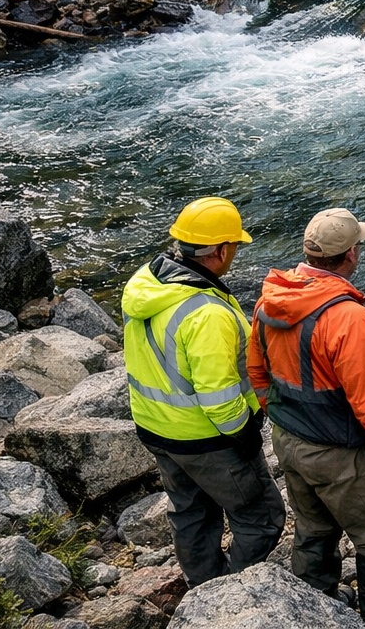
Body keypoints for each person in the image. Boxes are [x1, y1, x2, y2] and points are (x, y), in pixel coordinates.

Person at [248, 207, 365, 629]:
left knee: (313, 528)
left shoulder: (271, 299)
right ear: (349, 256)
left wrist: (285, 420)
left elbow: (256, 373)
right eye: (358, 246)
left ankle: (316, 608)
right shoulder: (349, 318)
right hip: (341, 454)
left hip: (289, 442)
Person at [122, 196, 285, 586]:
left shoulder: (147, 281)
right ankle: (229, 595)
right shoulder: (206, 313)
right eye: (235, 246)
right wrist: (244, 434)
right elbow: (217, 393)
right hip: (207, 438)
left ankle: (203, 585)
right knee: (261, 518)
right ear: (223, 249)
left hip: (156, 428)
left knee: (191, 512)